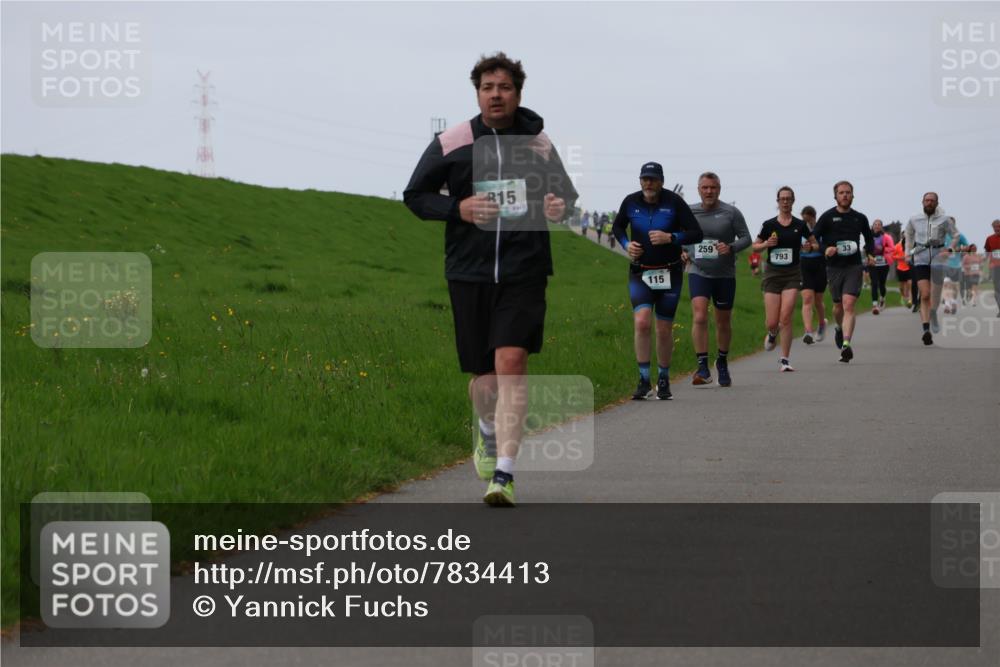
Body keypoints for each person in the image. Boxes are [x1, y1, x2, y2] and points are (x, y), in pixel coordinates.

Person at [403, 52, 577, 506]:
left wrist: (558, 206)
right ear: (477, 93)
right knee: (485, 384)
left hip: (524, 269)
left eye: (504, 87)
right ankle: (485, 429)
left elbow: (564, 196)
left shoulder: (538, 143)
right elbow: (415, 195)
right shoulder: (453, 141)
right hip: (470, 271)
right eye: (487, 88)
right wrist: (456, 208)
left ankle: (504, 474)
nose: (495, 95)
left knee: (512, 362)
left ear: (517, 93)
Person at [612, 161, 702, 400]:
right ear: (640, 180)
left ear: (661, 181)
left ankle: (663, 378)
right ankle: (644, 380)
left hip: (669, 273)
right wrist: (626, 245)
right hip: (640, 272)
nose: (648, 183)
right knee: (642, 323)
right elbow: (618, 227)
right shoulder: (630, 202)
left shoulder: (674, 202)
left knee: (663, 329)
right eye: (645, 179)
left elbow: (696, 233)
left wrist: (670, 237)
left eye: (653, 179)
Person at [682, 171, 750, 386]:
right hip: (698, 271)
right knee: (700, 316)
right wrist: (682, 251)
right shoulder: (689, 212)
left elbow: (746, 238)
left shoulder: (731, 212)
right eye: (705, 187)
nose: (709, 191)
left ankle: (721, 361)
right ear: (699, 190)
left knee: (723, 321)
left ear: (719, 189)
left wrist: (731, 247)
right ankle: (702, 366)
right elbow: (679, 236)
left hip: (724, 274)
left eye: (713, 187)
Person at [751, 186, 818, 371]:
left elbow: (815, 244)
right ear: (778, 201)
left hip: (792, 274)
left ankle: (785, 359)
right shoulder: (769, 225)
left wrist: (809, 247)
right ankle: (772, 334)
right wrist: (766, 243)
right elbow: (755, 246)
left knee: (786, 316)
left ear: (793, 201)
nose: (786, 201)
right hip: (772, 274)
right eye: (782, 199)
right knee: (772, 322)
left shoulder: (800, 224)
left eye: (789, 198)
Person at [812, 180, 874, 363]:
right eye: (841, 192)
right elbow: (813, 239)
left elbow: (869, 238)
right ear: (835, 196)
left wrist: (870, 253)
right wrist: (825, 249)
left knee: (848, 304)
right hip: (834, 267)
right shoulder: (827, 217)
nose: (845, 195)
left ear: (853, 195)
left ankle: (846, 344)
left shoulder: (860, 218)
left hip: (854, 266)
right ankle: (839, 328)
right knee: (838, 306)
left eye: (848, 192)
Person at [904, 192, 960, 344]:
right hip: (920, 258)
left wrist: (949, 249)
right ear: (922, 202)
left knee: (935, 295)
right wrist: (907, 253)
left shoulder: (945, 219)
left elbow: (956, 235)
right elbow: (908, 235)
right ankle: (926, 329)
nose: (929, 203)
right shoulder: (914, 219)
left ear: (936, 203)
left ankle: (933, 313)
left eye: (932, 201)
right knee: (925, 294)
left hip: (938, 258)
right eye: (926, 200)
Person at [799, 205, 828, 344]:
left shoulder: (821, 229)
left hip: (820, 265)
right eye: (803, 220)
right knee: (807, 299)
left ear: (814, 218)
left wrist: (814, 247)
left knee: (818, 300)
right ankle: (808, 331)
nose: (806, 223)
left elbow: (824, 247)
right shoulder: (799, 229)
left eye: (808, 221)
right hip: (804, 265)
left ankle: (822, 324)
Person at [869, 219, 895, 314]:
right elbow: (866, 248)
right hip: (872, 263)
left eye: (879, 224)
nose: (877, 226)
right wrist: (869, 256)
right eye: (875, 224)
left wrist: (883, 248)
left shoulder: (886, 237)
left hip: (884, 263)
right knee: (874, 283)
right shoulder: (869, 237)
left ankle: (882, 298)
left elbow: (892, 248)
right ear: (872, 226)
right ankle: (875, 305)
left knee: (882, 284)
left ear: (881, 227)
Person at [985, 219, 1000, 317]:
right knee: (997, 289)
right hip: (995, 267)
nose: (997, 228)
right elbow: (987, 252)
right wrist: (987, 263)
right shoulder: (989, 239)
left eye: (999, 227)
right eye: (995, 227)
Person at [893, 236, 912, 308]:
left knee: (910, 283)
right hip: (900, 268)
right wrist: (900, 258)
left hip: (909, 268)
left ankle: (910, 300)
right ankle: (903, 296)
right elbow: (892, 256)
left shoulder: (910, 245)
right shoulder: (897, 246)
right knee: (901, 286)